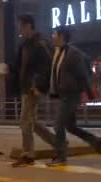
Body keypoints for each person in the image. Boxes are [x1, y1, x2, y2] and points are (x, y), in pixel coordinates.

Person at [46, 27, 100, 166]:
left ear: (61, 36)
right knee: (70, 127)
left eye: (54, 34)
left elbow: (82, 74)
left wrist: (89, 93)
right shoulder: (58, 52)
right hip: (62, 95)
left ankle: (61, 156)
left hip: (70, 95)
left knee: (58, 125)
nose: (52, 36)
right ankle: (97, 142)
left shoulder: (72, 53)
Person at [11, 14, 54, 168]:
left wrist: (39, 86)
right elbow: (20, 66)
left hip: (32, 88)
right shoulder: (25, 44)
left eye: (22, 26)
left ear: (29, 25)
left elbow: (46, 67)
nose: (20, 29)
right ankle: (57, 143)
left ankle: (28, 154)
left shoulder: (39, 43)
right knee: (31, 121)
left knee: (25, 120)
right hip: (25, 87)